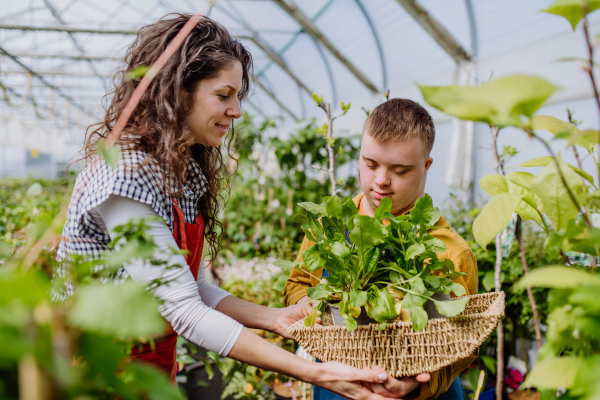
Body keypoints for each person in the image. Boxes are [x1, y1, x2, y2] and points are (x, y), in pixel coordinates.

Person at [56, 14, 407, 400]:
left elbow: (185, 286)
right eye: (224, 95)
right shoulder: (125, 173)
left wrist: (275, 319)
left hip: (150, 372)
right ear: (178, 91)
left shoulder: (183, 170)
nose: (236, 111)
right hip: (94, 374)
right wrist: (315, 373)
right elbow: (183, 309)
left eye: (237, 96)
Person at [284, 99, 479, 400]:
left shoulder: (450, 250)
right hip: (338, 385)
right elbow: (298, 283)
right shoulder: (331, 227)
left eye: (400, 171)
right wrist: (312, 309)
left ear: (426, 167)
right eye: (370, 164)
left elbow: (464, 341)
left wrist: (417, 383)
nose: (380, 181)